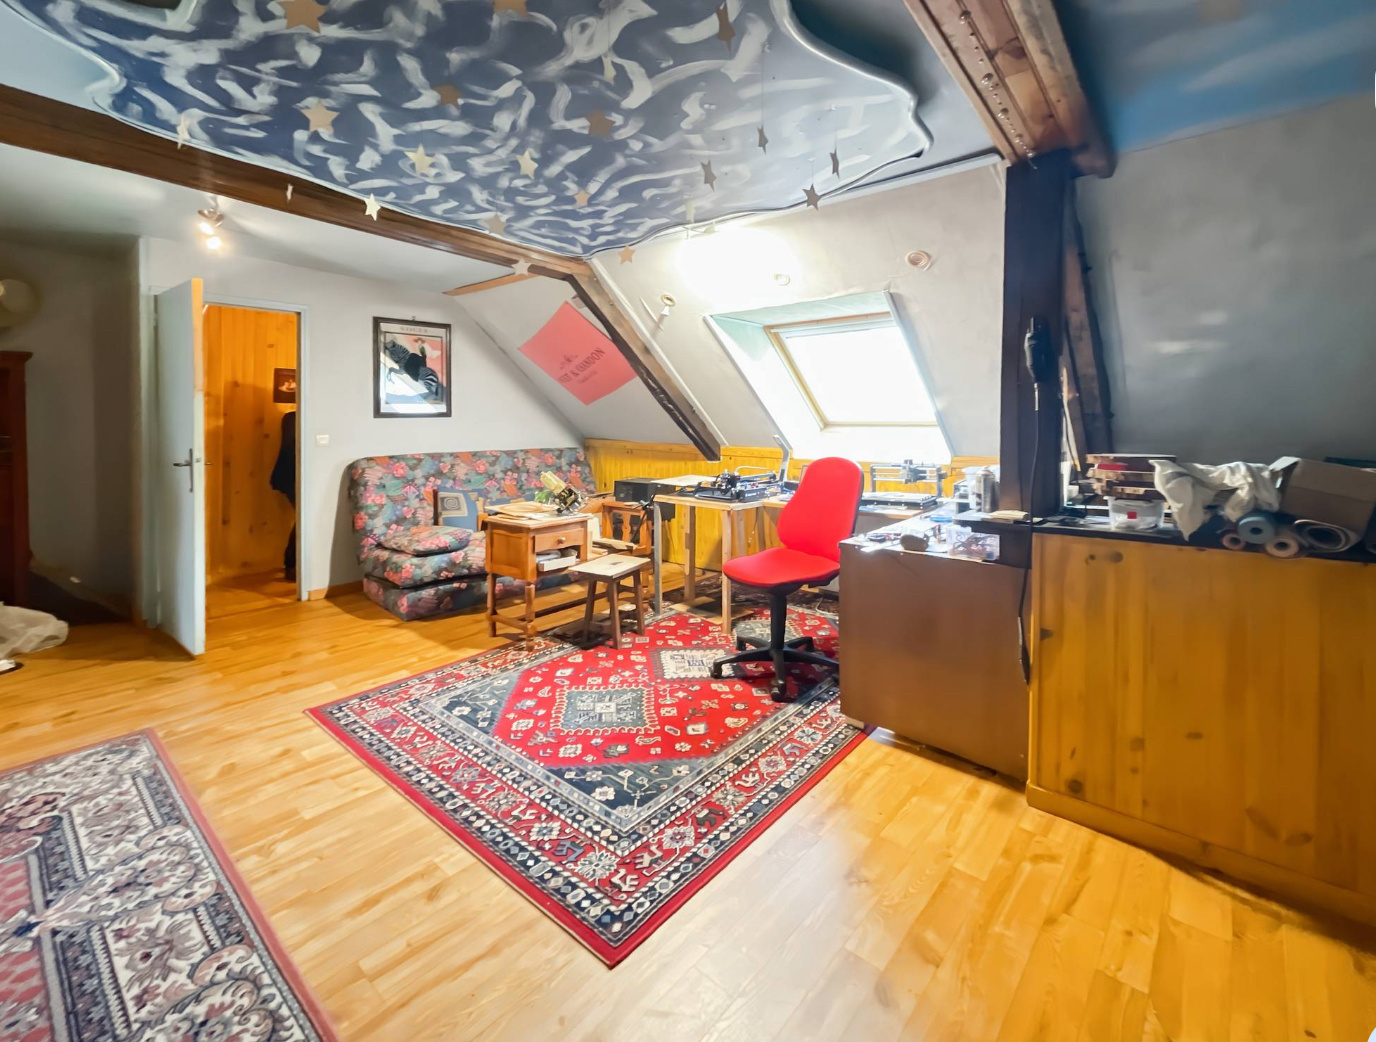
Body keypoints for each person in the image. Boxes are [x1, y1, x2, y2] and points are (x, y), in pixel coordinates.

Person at [271, 411, 297, 582]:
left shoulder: (290, 418)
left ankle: (292, 566)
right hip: (291, 476)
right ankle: (291, 566)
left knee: (303, 520)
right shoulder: (292, 418)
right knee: (304, 520)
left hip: (290, 475)